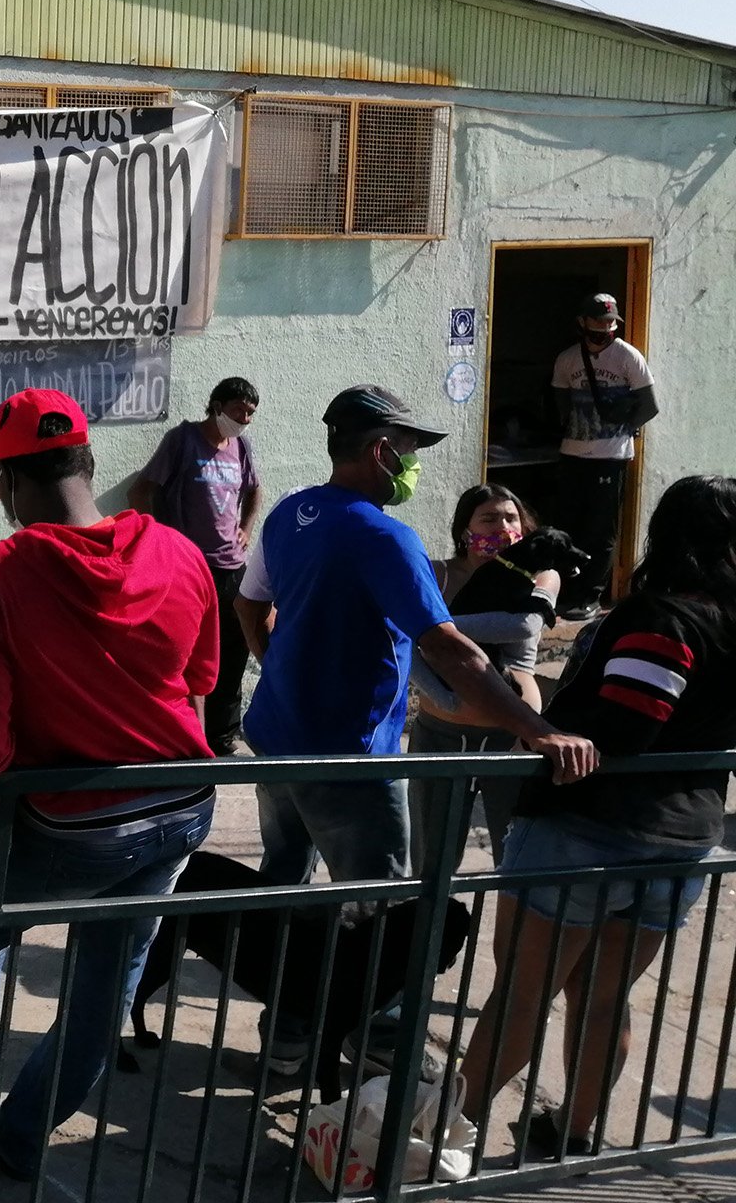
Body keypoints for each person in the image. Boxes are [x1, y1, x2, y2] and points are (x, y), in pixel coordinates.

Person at [0, 388, 218, 1181]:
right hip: (181, 808)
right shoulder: (180, 552)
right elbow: (202, 683)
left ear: (2, 485)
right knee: (109, 979)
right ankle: (23, 1135)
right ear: (89, 460)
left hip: (65, 825)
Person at [233, 385, 597, 1074]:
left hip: (279, 735)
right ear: (379, 450)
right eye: (409, 451)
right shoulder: (383, 535)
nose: (414, 465)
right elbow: (451, 649)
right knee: (382, 908)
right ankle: (380, 1045)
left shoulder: (289, 514)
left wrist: (278, 668)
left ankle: (285, 1034)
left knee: (286, 886)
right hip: (347, 758)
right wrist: (535, 728)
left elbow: (250, 603)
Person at [460, 475, 736, 1159]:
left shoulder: (667, 617)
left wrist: (544, 724)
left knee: (522, 996)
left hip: (586, 831)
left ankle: (443, 1136)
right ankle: (573, 1135)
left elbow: (627, 723)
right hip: (679, 838)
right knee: (605, 998)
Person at [405, 485, 564, 875]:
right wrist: (444, 697)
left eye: (511, 518)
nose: (503, 527)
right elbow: (401, 641)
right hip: (439, 737)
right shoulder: (437, 574)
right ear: (464, 529)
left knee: (514, 860)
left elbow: (523, 625)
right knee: (432, 864)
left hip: (512, 742)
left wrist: (435, 628)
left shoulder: (542, 576)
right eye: (489, 518)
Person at [129, 376, 263, 756]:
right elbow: (141, 490)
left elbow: (255, 490)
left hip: (232, 568)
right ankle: (186, 734)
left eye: (251, 413)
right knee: (186, 656)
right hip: (191, 568)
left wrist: (246, 529)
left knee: (234, 652)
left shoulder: (241, 446)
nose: (245, 419)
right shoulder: (182, 440)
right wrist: (159, 541)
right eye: (239, 410)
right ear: (217, 405)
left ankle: (223, 737)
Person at [551, 293, 658, 620]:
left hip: (610, 458)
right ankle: (563, 592)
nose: (606, 327)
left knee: (600, 530)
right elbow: (560, 403)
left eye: (611, 322)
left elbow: (649, 405)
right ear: (583, 322)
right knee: (569, 525)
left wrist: (628, 428)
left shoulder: (628, 357)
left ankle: (591, 597)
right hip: (572, 454)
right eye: (599, 321)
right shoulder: (568, 359)